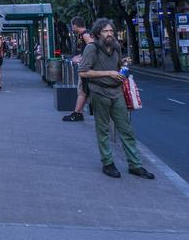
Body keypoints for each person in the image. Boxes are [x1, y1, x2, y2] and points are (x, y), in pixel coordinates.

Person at [79, 18, 154, 179]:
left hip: (117, 92)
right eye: (105, 31)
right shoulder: (92, 48)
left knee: (126, 129)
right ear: (98, 33)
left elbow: (118, 66)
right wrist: (109, 73)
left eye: (111, 31)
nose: (109, 34)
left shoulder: (116, 47)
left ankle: (135, 165)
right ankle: (108, 163)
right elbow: (83, 72)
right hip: (99, 93)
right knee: (103, 130)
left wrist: (123, 64)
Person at [63, 17, 94, 122]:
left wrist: (82, 59)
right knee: (82, 91)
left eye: (72, 25)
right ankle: (78, 113)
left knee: (82, 91)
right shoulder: (85, 34)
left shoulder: (86, 34)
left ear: (75, 25)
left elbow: (92, 49)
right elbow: (88, 50)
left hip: (86, 68)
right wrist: (80, 56)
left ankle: (77, 113)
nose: (72, 27)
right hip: (86, 66)